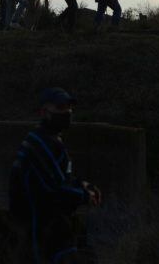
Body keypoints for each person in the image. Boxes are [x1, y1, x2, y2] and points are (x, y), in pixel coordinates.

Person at [9, 87, 102, 264]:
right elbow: (52, 189)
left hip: (53, 226)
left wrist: (82, 184)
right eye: (60, 107)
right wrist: (83, 195)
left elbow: (60, 177)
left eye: (69, 108)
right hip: (40, 228)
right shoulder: (39, 144)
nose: (67, 112)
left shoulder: (50, 140)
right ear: (44, 112)